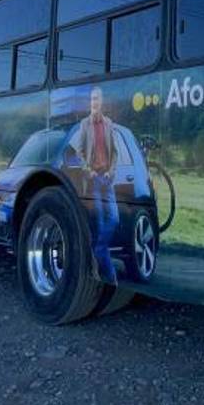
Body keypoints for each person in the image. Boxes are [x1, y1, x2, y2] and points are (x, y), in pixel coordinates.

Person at [71, 86, 119, 282]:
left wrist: (111, 172)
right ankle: (109, 276)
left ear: (102, 101)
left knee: (114, 219)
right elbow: (78, 152)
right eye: (92, 99)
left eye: (97, 98)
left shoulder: (109, 124)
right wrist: (88, 170)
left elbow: (115, 152)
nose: (94, 102)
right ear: (90, 102)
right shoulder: (84, 124)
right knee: (99, 224)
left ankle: (98, 252)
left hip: (107, 179)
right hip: (93, 181)